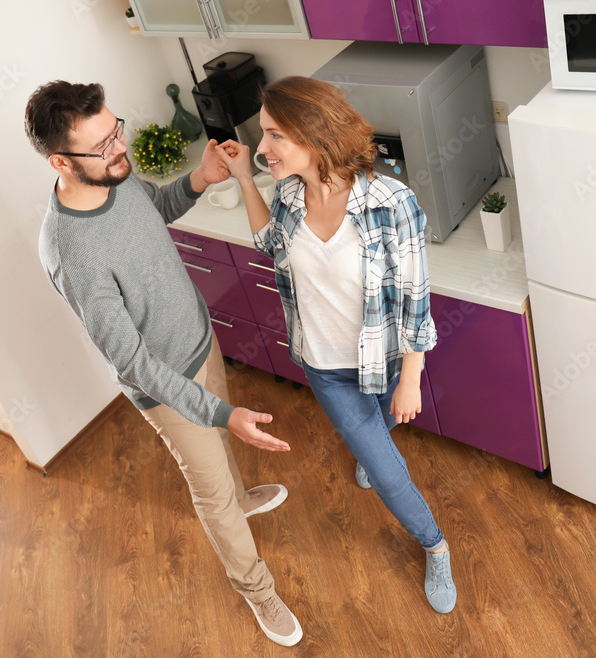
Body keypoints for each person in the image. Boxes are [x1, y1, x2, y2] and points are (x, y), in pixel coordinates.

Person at [24, 81, 303, 646]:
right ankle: (258, 591)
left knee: (225, 464)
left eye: (115, 131)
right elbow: (130, 362)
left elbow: (153, 210)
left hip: (201, 339)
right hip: (162, 383)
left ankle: (244, 497)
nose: (119, 148)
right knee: (211, 493)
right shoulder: (70, 252)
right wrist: (222, 413)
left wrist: (199, 178)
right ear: (60, 161)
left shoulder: (117, 178)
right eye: (102, 145)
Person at [217, 76, 457, 614]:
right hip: (324, 365)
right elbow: (270, 246)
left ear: (315, 134)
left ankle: (427, 534)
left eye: (275, 136)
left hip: (386, 356)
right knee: (383, 463)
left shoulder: (392, 202)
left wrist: (413, 377)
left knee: (382, 425)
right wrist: (243, 179)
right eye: (263, 136)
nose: (262, 149)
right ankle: (435, 543)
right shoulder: (287, 195)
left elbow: (416, 298)